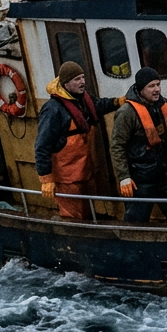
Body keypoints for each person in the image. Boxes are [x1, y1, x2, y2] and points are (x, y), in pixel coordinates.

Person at [34, 61, 119, 219]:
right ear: (66, 84)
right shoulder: (53, 109)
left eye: (83, 77)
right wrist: (46, 179)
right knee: (72, 217)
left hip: (85, 172)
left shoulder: (82, 99)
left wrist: (118, 102)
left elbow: (99, 105)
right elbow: (42, 146)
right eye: (77, 79)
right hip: (67, 179)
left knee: (87, 212)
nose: (82, 82)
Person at [109, 68, 167, 224]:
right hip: (140, 177)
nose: (157, 89)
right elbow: (117, 146)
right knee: (136, 221)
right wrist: (124, 177)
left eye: (158, 84)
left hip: (163, 172)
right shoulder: (126, 113)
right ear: (141, 89)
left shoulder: (163, 104)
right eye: (151, 86)